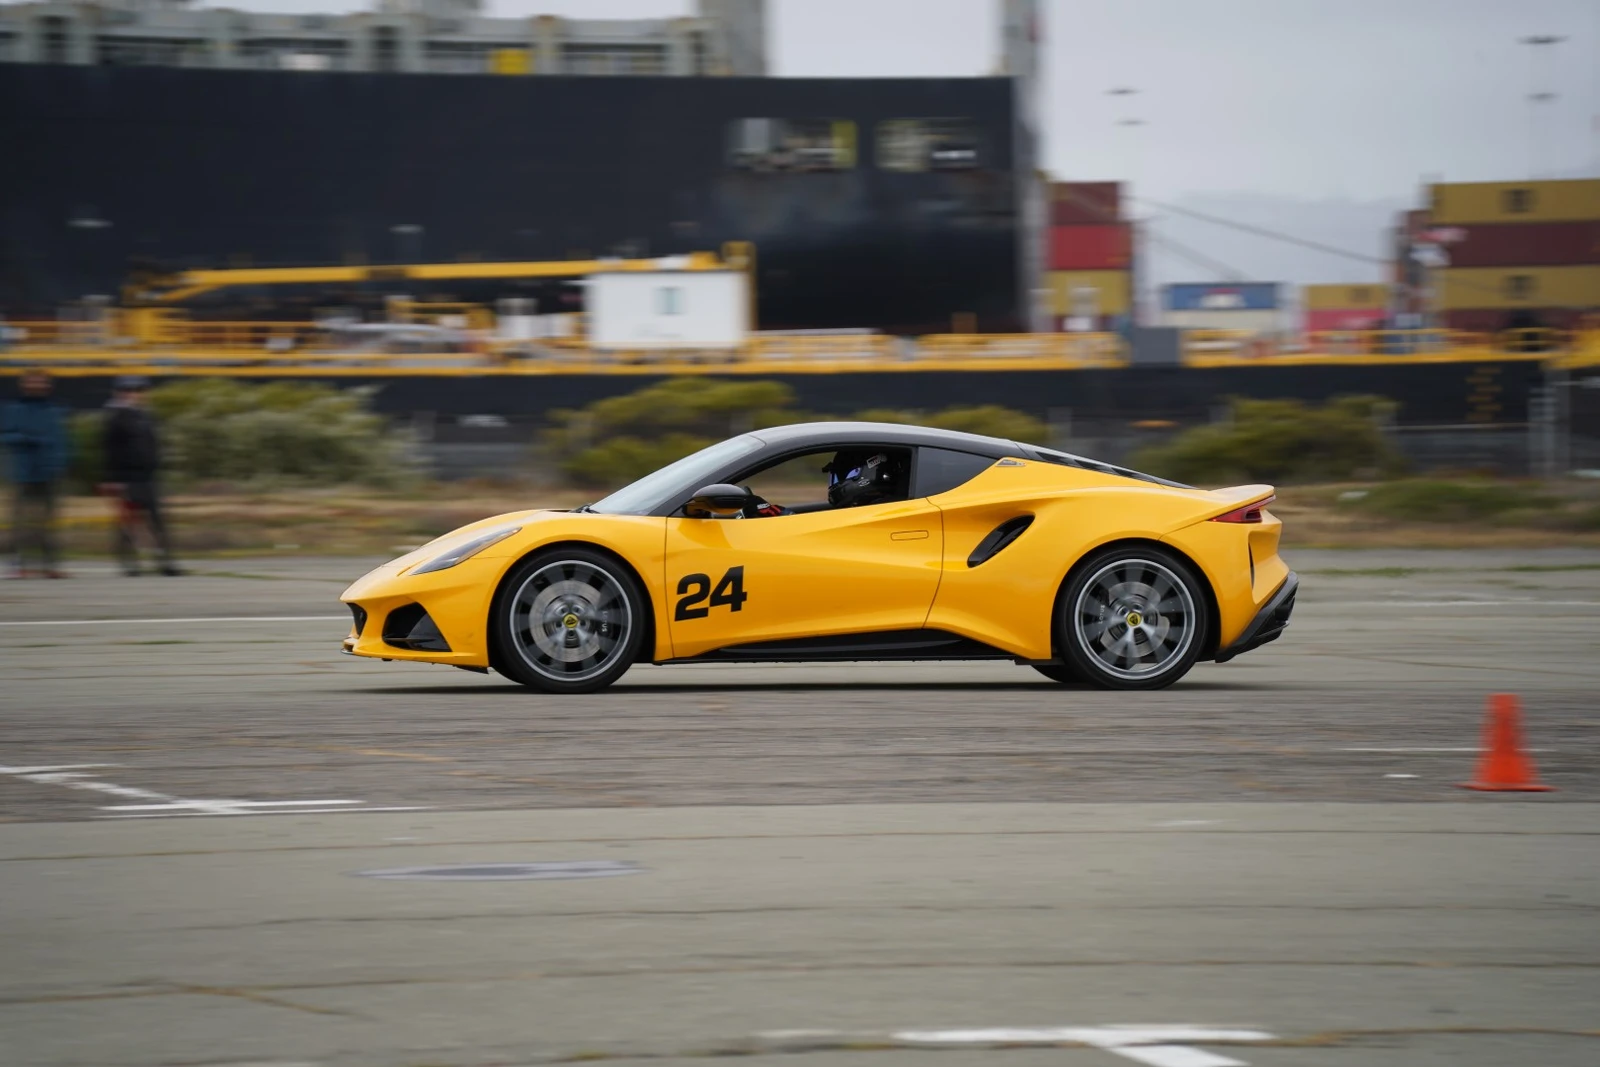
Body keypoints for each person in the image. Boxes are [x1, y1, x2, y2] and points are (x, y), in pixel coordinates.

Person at [102, 376, 182, 577]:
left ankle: (165, 562)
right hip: (128, 477)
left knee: (157, 522)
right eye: (128, 390)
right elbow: (110, 451)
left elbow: (153, 445)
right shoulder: (115, 417)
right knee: (129, 523)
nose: (134, 394)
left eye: (138, 391)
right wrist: (113, 479)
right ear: (119, 393)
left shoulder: (147, 416)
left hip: (148, 476)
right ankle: (130, 563)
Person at [1, 369, 71, 578]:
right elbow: (5, 436)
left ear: (48, 386)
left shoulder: (54, 411)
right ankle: (19, 565)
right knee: (21, 522)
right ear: (23, 386)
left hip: (49, 473)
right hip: (23, 473)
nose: (36, 386)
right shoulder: (14, 409)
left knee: (48, 522)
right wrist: (29, 438)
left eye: (41, 383)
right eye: (32, 382)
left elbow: (61, 441)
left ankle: (50, 565)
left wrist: (61, 463)